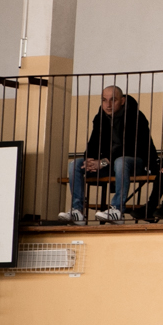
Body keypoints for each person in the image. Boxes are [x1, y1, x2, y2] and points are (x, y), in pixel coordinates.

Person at [60, 86, 154, 225]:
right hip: (109, 164)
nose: (108, 105)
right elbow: (93, 143)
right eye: (104, 100)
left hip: (136, 163)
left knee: (120, 162)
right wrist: (89, 160)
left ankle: (117, 211)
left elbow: (130, 148)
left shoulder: (136, 116)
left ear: (122, 101)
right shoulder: (100, 117)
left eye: (113, 100)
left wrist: (103, 162)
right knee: (75, 164)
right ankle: (77, 211)